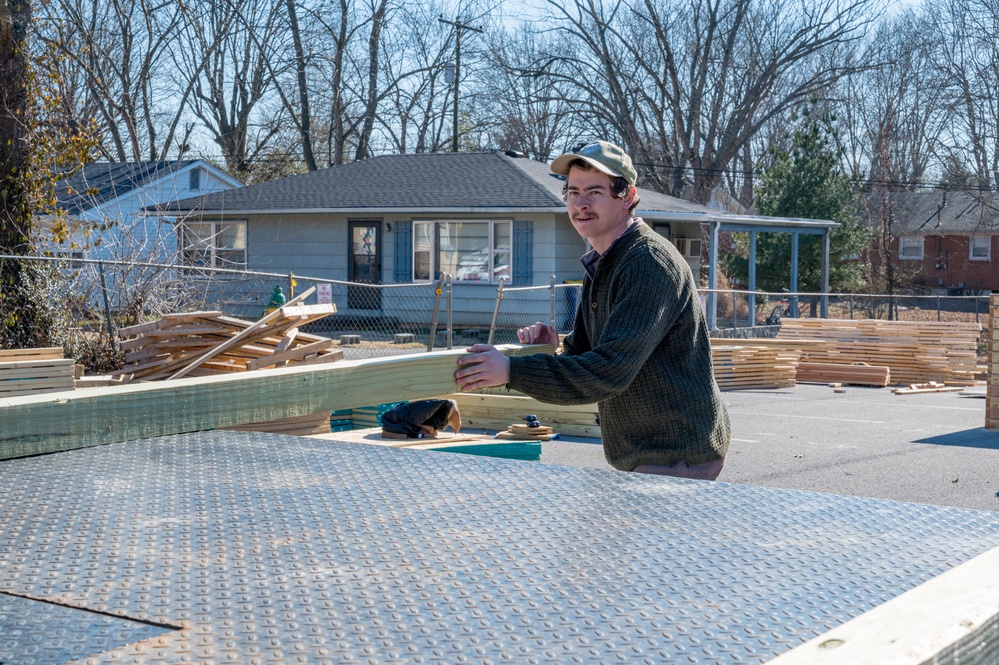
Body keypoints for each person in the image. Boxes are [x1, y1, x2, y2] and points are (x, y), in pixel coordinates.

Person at [453, 140, 730, 480]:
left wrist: (511, 371)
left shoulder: (647, 264)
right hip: (650, 453)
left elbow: (609, 371)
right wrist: (556, 346)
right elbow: (588, 354)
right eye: (573, 192)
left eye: (594, 192)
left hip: (674, 455)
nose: (580, 204)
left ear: (626, 196)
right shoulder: (606, 263)